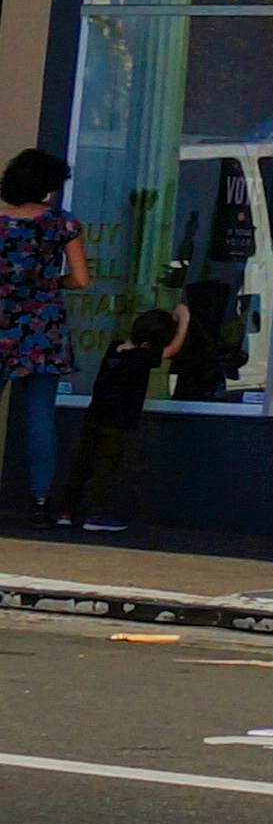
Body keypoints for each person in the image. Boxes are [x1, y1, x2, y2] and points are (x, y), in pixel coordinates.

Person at [0, 149, 88, 528]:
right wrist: (49, 283)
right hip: (42, 327)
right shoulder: (62, 223)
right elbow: (81, 279)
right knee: (40, 414)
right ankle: (40, 501)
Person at [52, 307, 179, 535]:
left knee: (81, 465)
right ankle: (96, 514)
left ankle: (66, 512)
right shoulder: (141, 357)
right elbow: (172, 350)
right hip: (118, 424)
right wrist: (185, 320)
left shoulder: (114, 349)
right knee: (106, 468)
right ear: (149, 345)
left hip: (94, 417)